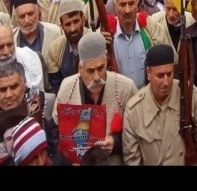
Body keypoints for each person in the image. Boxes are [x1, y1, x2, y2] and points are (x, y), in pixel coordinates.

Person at [53, 32, 137, 165]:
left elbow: (136, 131)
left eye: (100, 68)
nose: (97, 77)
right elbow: (55, 131)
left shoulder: (125, 87)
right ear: (80, 69)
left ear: (106, 61)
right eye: (90, 71)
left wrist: (115, 141)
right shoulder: (67, 88)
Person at [122, 44, 197, 165]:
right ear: (148, 73)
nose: (166, 82)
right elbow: (132, 159)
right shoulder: (134, 109)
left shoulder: (189, 94)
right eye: (160, 76)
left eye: (169, 74)